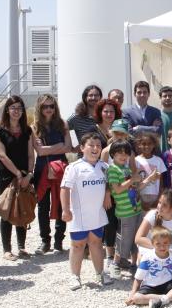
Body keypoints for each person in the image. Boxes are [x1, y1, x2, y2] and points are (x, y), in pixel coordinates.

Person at [61, 133, 115, 289]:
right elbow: (64, 188)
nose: (95, 148)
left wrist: (107, 194)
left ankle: (100, 274)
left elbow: (109, 183)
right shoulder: (74, 167)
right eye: (91, 145)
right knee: (77, 245)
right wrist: (65, 210)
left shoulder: (104, 167)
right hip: (79, 215)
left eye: (98, 145)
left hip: (97, 213)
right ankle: (75, 276)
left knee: (97, 244)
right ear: (82, 148)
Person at [0, 95, 36, 261]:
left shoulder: (27, 131)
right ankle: (7, 249)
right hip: (7, 177)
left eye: (19, 108)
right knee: (8, 210)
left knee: (23, 207)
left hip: (25, 176)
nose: (16, 111)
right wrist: (17, 174)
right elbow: (2, 156)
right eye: (13, 108)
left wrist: (29, 174)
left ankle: (22, 247)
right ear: (7, 110)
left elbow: (31, 154)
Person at [32, 93, 72, 254]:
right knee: (43, 206)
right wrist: (59, 145)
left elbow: (68, 147)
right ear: (39, 108)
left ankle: (59, 241)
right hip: (42, 169)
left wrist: (52, 148)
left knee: (61, 203)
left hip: (61, 169)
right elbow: (39, 151)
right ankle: (45, 241)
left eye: (51, 106)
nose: (48, 109)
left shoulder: (62, 124)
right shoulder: (34, 126)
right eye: (45, 106)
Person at [125, 226, 172, 308]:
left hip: (168, 284)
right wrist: (132, 293)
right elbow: (138, 278)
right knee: (137, 298)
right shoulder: (147, 257)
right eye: (158, 244)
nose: (162, 247)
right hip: (150, 286)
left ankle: (163, 300)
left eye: (165, 243)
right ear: (152, 244)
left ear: (170, 243)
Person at [134, 189, 172, 280]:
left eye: (164, 205)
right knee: (147, 262)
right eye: (159, 202)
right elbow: (138, 239)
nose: (159, 207)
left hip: (167, 246)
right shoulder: (152, 215)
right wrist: (159, 246)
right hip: (148, 244)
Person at [107, 140, 146, 278]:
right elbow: (117, 189)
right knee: (124, 239)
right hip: (124, 211)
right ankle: (116, 264)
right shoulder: (113, 169)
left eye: (126, 153)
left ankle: (134, 264)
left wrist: (148, 179)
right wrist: (131, 180)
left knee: (136, 238)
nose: (123, 156)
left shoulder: (127, 168)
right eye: (119, 153)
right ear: (113, 154)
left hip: (136, 208)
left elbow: (135, 187)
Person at [133, 135, 165, 210]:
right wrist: (140, 200)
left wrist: (159, 198)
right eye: (144, 144)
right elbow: (134, 183)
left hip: (155, 197)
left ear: (154, 145)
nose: (147, 146)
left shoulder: (158, 160)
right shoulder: (135, 160)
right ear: (139, 145)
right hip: (140, 197)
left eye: (149, 143)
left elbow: (161, 183)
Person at [158, 86, 172, 152]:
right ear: (160, 98)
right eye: (165, 96)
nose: (167, 98)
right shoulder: (156, 115)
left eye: (170, 96)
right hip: (160, 154)